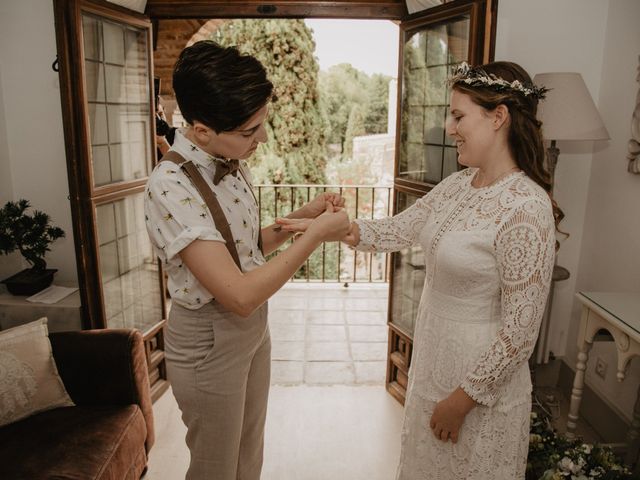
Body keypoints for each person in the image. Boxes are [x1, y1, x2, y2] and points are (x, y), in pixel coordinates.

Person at [277, 61, 560, 479]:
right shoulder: (460, 185)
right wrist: (331, 229)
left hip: (477, 388)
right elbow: (396, 230)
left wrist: (462, 401)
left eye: (459, 115)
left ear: (498, 117)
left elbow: (520, 333)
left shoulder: (526, 207)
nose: (449, 127)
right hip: (433, 367)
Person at [143, 40, 350, 480]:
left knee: (248, 454)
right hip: (208, 340)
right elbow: (237, 295)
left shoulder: (231, 162)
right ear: (201, 130)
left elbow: (240, 250)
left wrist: (301, 216)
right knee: (216, 467)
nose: (262, 138)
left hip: (254, 331)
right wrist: (313, 238)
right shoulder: (171, 185)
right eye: (249, 131)